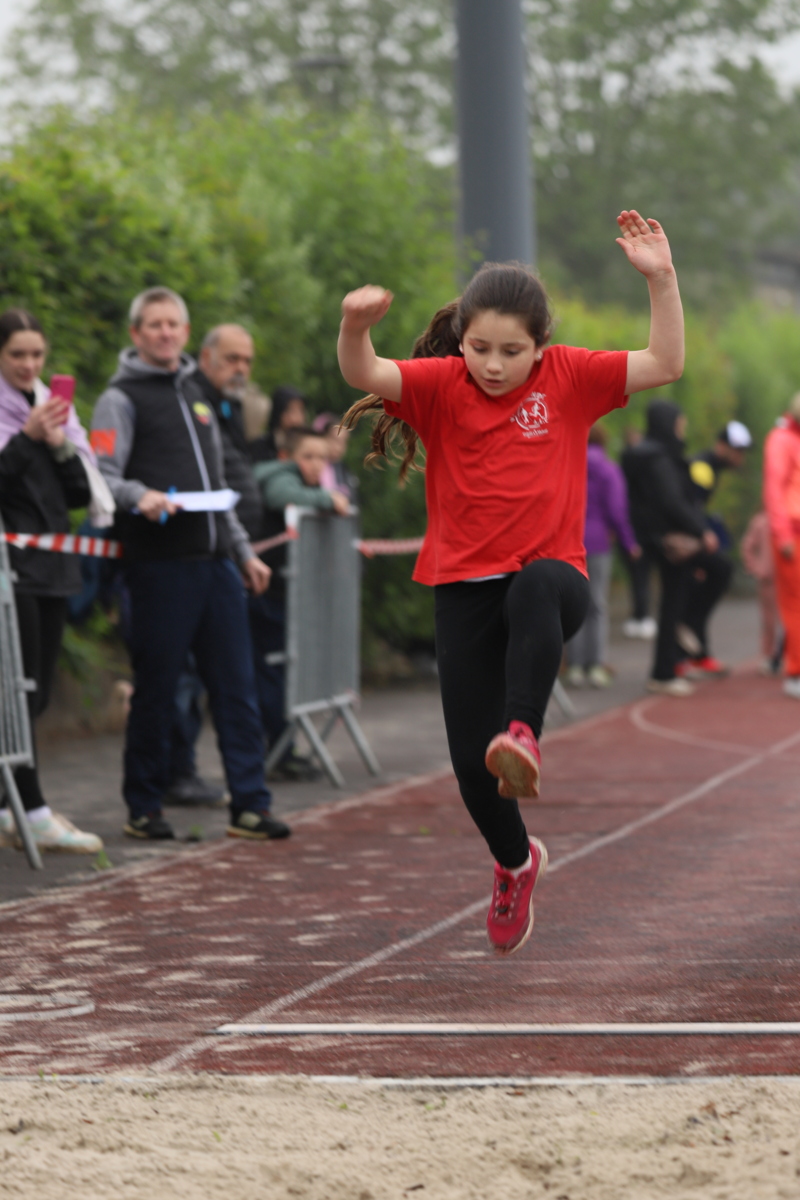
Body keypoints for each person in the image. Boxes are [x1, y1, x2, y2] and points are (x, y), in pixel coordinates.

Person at [338, 209, 684, 956]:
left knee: (535, 586)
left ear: (541, 346)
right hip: (463, 587)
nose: (493, 366)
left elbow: (664, 362)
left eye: (511, 352)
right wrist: (355, 326)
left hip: (553, 581)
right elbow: (365, 373)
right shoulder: (440, 386)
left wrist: (661, 280)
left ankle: (523, 730)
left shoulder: (570, 378)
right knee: (471, 769)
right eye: (480, 349)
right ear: (462, 339)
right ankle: (516, 862)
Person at [90, 286, 290, 841]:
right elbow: (100, 474)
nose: (165, 333)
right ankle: (144, 807)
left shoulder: (199, 396)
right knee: (157, 689)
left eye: (173, 324)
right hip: (160, 566)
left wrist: (243, 552)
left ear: (185, 332)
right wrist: (140, 496)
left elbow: (218, 486)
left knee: (236, 688)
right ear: (136, 333)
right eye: (154, 324)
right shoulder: (118, 398)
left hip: (216, 565)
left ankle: (250, 805)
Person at [0, 308, 104, 853]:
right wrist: (25, 437)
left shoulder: (52, 410)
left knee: (34, 696)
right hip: (10, 570)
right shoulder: (14, 419)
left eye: (36, 354)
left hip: (53, 565)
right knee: (17, 694)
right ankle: (33, 810)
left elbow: (81, 495)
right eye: (17, 354)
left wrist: (60, 442)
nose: (28, 364)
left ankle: (9, 808)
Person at [197, 326, 318, 782]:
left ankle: (251, 787)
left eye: (246, 360)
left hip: (240, 558)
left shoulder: (228, 409)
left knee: (243, 675)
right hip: (208, 557)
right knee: (219, 675)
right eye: (232, 359)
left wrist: (245, 553)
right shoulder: (197, 405)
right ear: (205, 357)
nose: (241, 369)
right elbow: (223, 485)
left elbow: (230, 486)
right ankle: (173, 778)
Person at [252, 427, 350, 762]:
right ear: (287, 457)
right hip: (267, 594)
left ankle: (283, 750)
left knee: (284, 673)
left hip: (286, 594)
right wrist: (327, 499)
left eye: (322, 457)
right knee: (272, 672)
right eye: (308, 456)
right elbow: (282, 497)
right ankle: (277, 751)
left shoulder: (306, 483)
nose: (316, 464)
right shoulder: (281, 477)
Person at [623, 399, 714, 696]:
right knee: (675, 600)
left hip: (640, 537)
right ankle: (667, 665)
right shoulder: (661, 458)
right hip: (668, 541)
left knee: (657, 597)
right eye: (679, 424)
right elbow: (672, 501)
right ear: (669, 424)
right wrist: (701, 529)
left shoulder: (639, 454)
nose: (682, 429)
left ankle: (674, 652)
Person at [565, 422, 639, 688]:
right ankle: (595, 665)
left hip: (569, 540)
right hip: (598, 543)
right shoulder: (609, 469)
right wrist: (629, 543)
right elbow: (617, 510)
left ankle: (574, 666)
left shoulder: (567, 465)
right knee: (597, 604)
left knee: (573, 605)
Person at [675, 420, 752, 676]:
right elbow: (690, 505)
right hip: (682, 540)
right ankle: (685, 639)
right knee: (720, 570)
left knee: (701, 585)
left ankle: (698, 653)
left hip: (690, 535)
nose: (740, 456)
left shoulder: (711, 468)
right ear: (721, 446)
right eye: (737, 450)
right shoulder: (703, 467)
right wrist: (702, 534)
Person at [764, 394, 800, 699]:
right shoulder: (781, 440)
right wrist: (783, 534)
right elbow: (774, 489)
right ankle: (795, 671)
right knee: (794, 605)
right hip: (792, 534)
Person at [619, 426, 656, 639]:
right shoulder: (648, 469)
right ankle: (641, 615)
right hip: (640, 530)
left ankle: (640, 615)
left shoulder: (624, 468)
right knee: (640, 575)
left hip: (631, 529)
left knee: (638, 576)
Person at [740, 509, 781, 674]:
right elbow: (747, 545)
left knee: (791, 619)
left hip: (790, 577)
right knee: (769, 620)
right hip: (769, 577)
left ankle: (786, 656)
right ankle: (769, 656)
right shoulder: (761, 521)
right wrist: (755, 567)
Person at [248, 385, 308, 463]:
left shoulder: (309, 445)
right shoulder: (260, 446)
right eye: (290, 410)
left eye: (300, 410)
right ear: (278, 412)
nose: (296, 418)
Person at [312, 412, 359, 501]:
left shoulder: (343, 471)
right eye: (335, 440)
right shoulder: (311, 466)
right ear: (322, 437)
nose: (339, 448)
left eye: (344, 442)